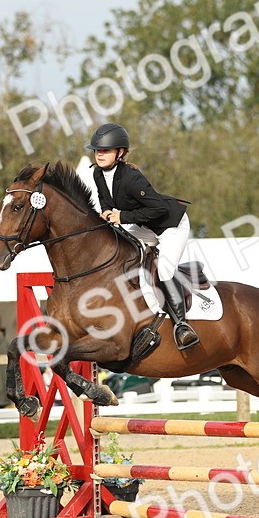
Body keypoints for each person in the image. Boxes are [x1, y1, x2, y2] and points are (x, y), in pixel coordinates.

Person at [86, 122, 199, 350]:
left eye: (105, 150)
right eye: (97, 150)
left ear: (120, 153)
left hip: (170, 226)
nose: (99, 154)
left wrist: (122, 216)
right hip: (142, 226)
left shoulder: (131, 178)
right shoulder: (98, 173)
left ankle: (182, 325)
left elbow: (158, 208)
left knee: (165, 270)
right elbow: (106, 201)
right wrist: (108, 213)